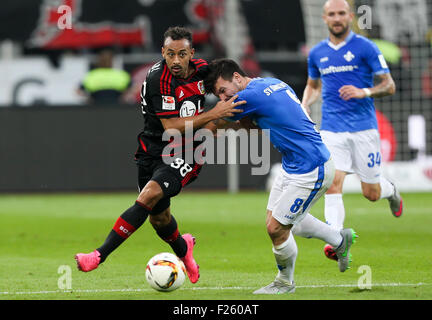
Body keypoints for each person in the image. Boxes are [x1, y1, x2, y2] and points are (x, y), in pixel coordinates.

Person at [74, 27, 244, 284]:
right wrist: (213, 115)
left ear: (191, 54)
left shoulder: (202, 70)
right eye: (171, 54)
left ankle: (98, 255)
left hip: (189, 149)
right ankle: (184, 250)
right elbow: (171, 126)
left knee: (150, 194)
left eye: (182, 54)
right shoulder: (158, 79)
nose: (176, 60)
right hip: (155, 148)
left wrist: (224, 118)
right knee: (159, 218)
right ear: (163, 52)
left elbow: (231, 81)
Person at [204, 58, 358, 294]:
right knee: (282, 222)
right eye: (219, 95)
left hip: (312, 167)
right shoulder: (269, 83)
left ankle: (285, 282)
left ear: (236, 77)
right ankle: (339, 240)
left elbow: (216, 120)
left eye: (223, 91)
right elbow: (256, 126)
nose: (224, 99)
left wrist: (201, 128)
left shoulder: (249, 97)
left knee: (277, 228)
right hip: (294, 165)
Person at [301, 0, 403, 261]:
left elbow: (389, 85)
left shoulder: (365, 47)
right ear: (324, 18)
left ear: (350, 17)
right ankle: (337, 240)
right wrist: (304, 105)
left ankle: (390, 190)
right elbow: (313, 85)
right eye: (332, 14)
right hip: (332, 130)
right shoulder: (317, 53)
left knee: (372, 193)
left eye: (341, 13)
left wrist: (364, 91)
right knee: (333, 183)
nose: (337, 18)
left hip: (363, 130)